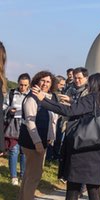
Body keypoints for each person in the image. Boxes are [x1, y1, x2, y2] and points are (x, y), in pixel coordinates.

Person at [33, 73, 100, 200]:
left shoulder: (91, 98)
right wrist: (73, 101)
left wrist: (43, 100)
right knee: (94, 190)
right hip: (98, 150)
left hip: (82, 150)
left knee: (73, 189)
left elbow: (69, 111)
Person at [18, 71, 60, 200]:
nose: (45, 84)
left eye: (48, 81)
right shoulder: (32, 98)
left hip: (42, 141)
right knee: (34, 176)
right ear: (37, 81)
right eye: (42, 81)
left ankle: (22, 197)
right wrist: (38, 143)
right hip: (33, 143)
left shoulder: (49, 97)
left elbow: (53, 119)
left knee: (29, 173)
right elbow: (30, 123)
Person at [4, 73, 30, 186]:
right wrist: (10, 110)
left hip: (26, 124)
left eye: (25, 85)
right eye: (21, 85)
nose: (23, 87)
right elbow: (4, 106)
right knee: (14, 150)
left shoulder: (31, 95)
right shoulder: (11, 93)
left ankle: (23, 175)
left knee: (24, 151)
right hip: (13, 123)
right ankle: (13, 176)